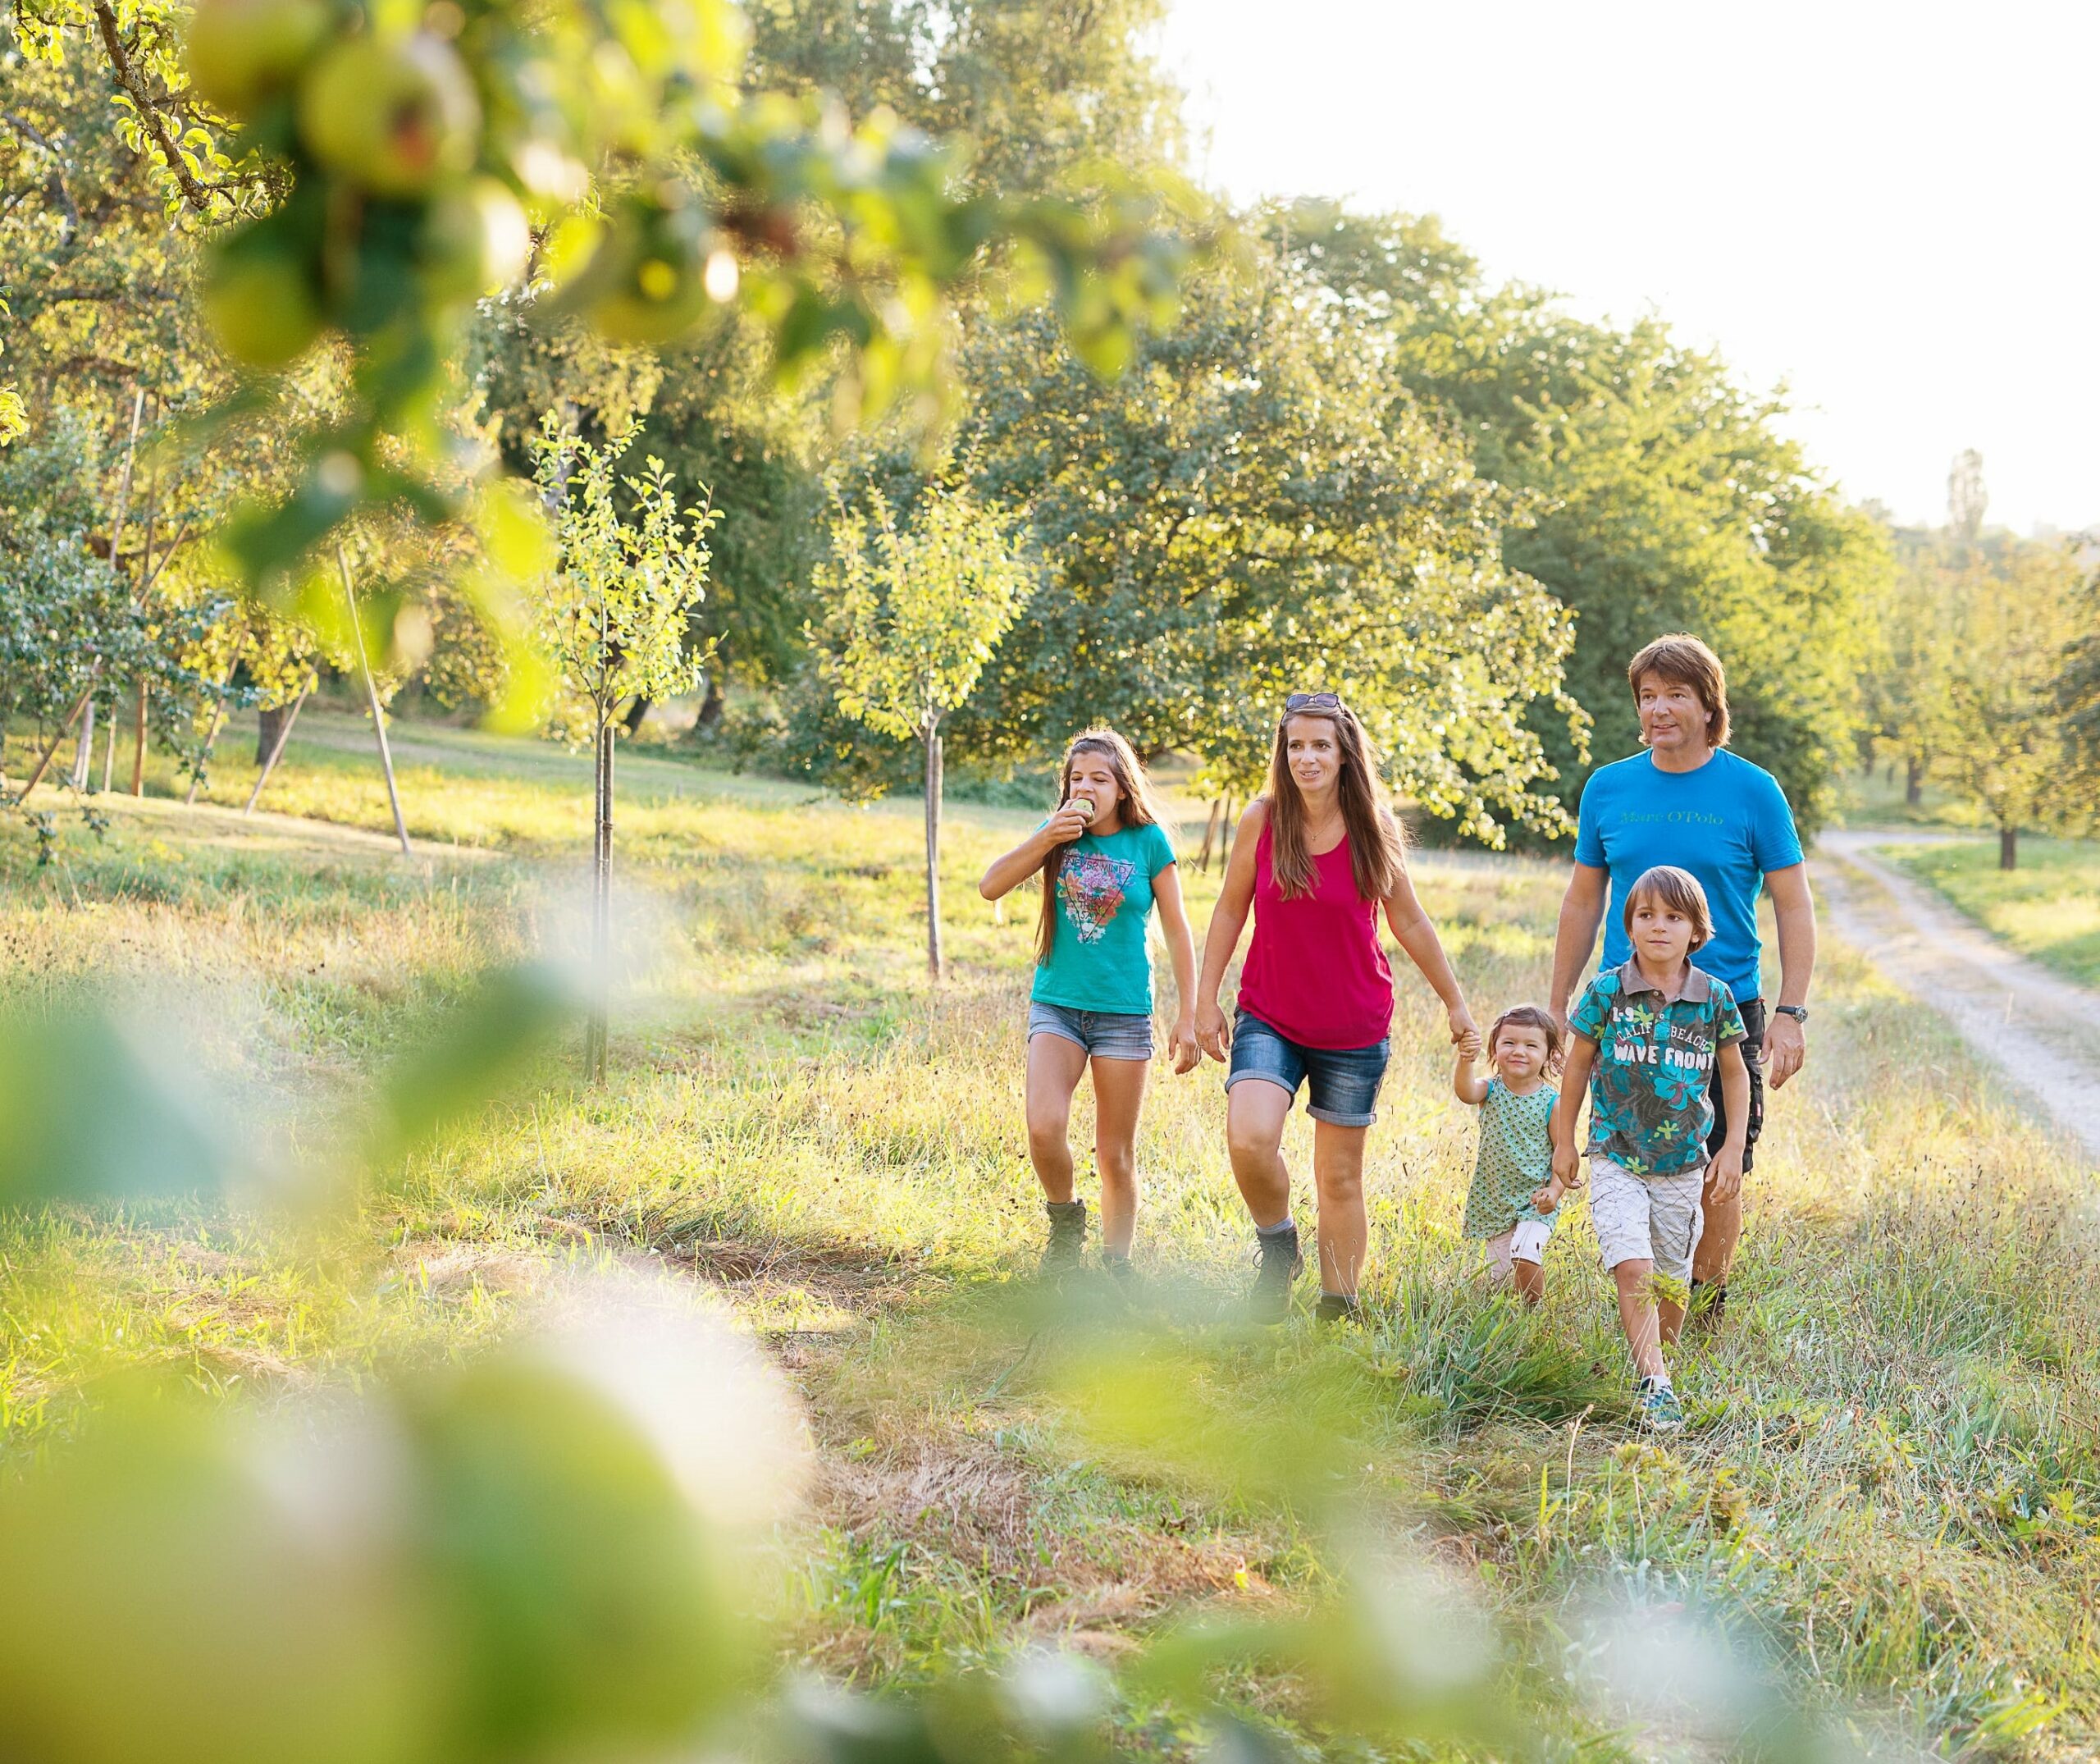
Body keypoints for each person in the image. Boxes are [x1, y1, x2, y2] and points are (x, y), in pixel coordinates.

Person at [1547, 633, 1815, 1323]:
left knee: (1721, 1162)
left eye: (1674, 694)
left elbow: (1792, 902)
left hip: (1721, 1008)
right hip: (1624, 1008)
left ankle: (1704, 1307)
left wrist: (1791, 1012)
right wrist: (1557, 1004)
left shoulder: (1754, 791)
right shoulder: (1608, 788)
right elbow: (1582, 901)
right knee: (1627, 1158)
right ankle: (1649, 1304)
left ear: (1707, 705)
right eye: (1647, 696)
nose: (1658, 709)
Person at [1194, 692, 1477, 1324]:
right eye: (1296, 745)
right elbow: (1230, 908)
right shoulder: (1263, 820)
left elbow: (1408, 919)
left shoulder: (1374, 826)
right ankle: (1277, 1245)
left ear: (1346, 752)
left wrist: (1455, 1003)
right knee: (1250, 1136)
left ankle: (1337, 1310)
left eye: (1321, 744)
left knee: (1340, 1177)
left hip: (1353, 1026)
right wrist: (1204, 1001)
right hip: (1269, 1012)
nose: (1307, 757)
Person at [979, 729, 1198, 1277]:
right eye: (1077, 778)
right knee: (1044, 1125)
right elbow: (990, 886)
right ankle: (1065, 1221)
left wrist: (1189, 1014)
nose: (1086, 787)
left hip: (1123, 1013)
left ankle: (1115, 1266)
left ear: (1122, 788)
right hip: (1057, 1004)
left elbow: (1178, 931)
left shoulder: (1148, 843)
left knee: (1114, 1152)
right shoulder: (1058, 836)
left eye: (1100, 778)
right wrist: (1047, 838)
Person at [1550, 866, 1750, 1433]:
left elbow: (1735, 1076)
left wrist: (1731, 1147)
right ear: (1629, 926)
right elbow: (1578, 1067)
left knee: (1668, 1284)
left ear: (1696, 930)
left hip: (1684, 1166)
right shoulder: (1606, 992)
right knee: (1632, 1265)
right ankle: (1654, 1383)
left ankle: (1658, 1357)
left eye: (1673, 917)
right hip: (1616, 1153)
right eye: (1646, 916)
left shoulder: (1714, 998)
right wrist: (1565, 1141)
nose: (1658, 927)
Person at [1452, 1005, 1564, 1307]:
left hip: (1535, 1201)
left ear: (1549, 1055)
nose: (1519, 1051)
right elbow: (1465, 1092)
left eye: (1531, 1045)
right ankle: (1511, 1317)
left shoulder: (1552, 1103)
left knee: (1525, 1253)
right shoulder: (1490, 1089)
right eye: (1509, 1043)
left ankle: (1532, 1313)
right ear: (1495, 1048)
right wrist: (1466, 1060)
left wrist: (1554, 1191)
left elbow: (1562, 1156)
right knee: (1502, 1279)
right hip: (1495, 1199)